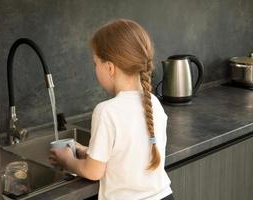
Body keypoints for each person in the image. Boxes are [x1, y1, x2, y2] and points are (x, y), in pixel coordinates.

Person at [49, 19, 174, 200]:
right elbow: (130, 153)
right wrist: (87, 152)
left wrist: (67, 161)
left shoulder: (106, 111)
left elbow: (93, 172)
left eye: (95, 63)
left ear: (109, 68)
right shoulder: (154, 103)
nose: (95, 69)